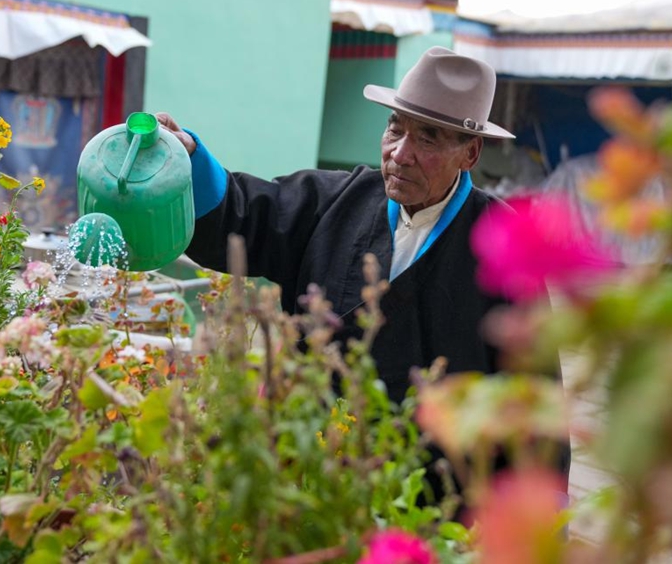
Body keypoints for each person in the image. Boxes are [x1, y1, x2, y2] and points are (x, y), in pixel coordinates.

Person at [157, 46, 569, 511]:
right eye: (396, 127)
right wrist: (186, 157)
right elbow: (243, 211)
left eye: (429, 138)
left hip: (431, 506)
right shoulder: (336, 201)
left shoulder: (504, 246)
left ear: (470, 153)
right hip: (312, 476)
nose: (400, 153)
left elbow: (535, 398)